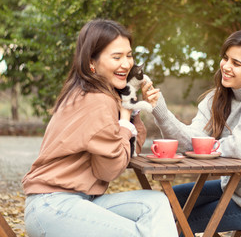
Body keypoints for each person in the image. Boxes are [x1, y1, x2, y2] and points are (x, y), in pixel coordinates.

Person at [22, 19, 178, 237]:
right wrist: (124, 118)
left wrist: (131, 110)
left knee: (156, 202)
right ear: (91, 62)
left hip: (80, 200)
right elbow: (110, 169)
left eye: (129, 55)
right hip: (54, 205)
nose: (126, 64)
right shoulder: (97, 100)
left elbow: (128, 151)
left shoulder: (95, 94)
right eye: (116, 57)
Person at [142, 29, 241, 235]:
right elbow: (189, 142)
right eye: (226, 58)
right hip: (234, 190)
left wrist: (207, 147)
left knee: (174, 222)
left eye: (236, 63)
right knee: (161, 202)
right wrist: (159, 109)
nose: (226, 66)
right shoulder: (218, 98)